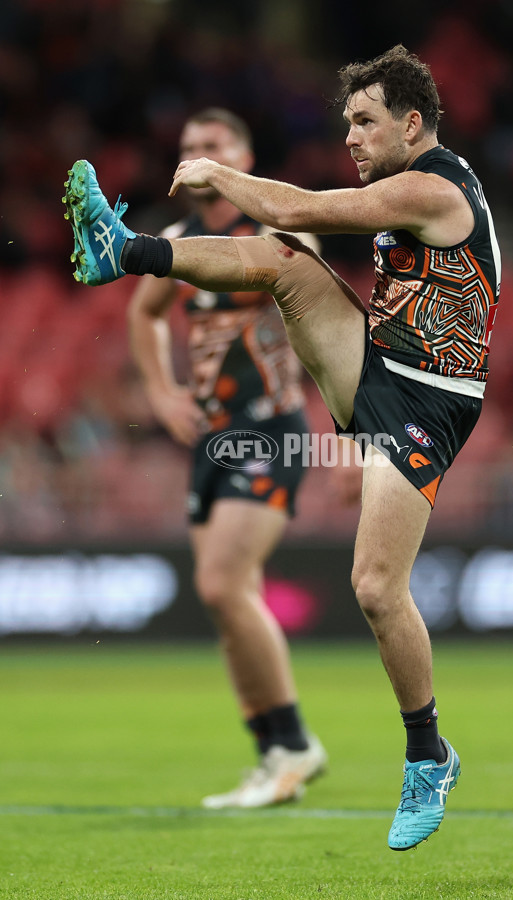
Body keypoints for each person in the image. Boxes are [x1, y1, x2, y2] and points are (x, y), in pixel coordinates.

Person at [63, 43, 501, 850]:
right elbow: (289, 233)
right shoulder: (409, 183)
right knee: (282, 264)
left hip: (431, 400)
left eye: (365, 122)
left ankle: (428, 753)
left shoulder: (432, 187)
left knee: (373, 586)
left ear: (413, 123)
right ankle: (124, 250)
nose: (352, 138)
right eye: (346, 124)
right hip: (378, 358)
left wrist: (218, 173)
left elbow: (298, 206)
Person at [127, 108, 327, 808]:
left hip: (270, 427)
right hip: (213, 435)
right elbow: (142, 314)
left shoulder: (279, 230)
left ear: (241, 155)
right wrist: (160, 390)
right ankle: (274, 754)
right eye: (189, 146)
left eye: (213, 145)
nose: (198, 155)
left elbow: (325, 316)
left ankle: (297, 743)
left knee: (221, 582)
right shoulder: (178, 240)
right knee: (223, 598)